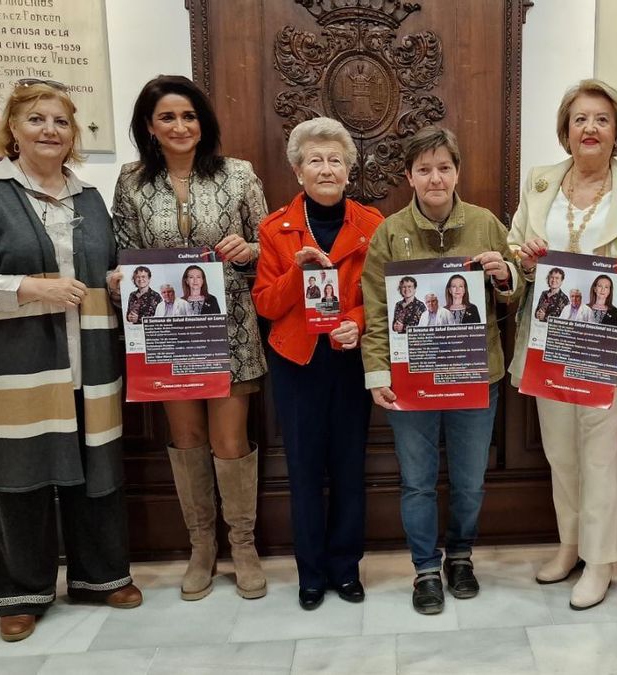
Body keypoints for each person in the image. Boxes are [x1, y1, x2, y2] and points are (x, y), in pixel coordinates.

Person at [0, 80, 141, 643]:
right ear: (12, 132)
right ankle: (21, 592)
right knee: (17, 476)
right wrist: (28, 289)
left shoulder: (89, 197)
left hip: (87, 359)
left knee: (94, 468)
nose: (50, 130)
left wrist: (120, 282)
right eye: (37, 120)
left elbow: (102, 271)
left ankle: (101, 577)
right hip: (13, 364)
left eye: (61, 122)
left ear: (73, 135)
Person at [112, 75, 269, 601]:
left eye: (189, 116)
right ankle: (201, 547)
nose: (180, 126)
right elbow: (124, 255)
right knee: (187, 440)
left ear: (203, 123)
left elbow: (269, 248)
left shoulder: (238, 175)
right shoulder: (132, 182)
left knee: (229, 441)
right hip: (166, 336)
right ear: (149, 128)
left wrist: (248, 250)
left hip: (230, 331)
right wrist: (118, 280)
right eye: (167, 118)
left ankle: (242, 545)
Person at [510, 79, 617, 610]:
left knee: (600, 456)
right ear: (565, 131)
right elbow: (513, 250)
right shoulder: (541, 182)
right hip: (549, 338)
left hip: (605, 342)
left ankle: (601, 561)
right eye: (579, 119)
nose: (589, 128)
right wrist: (521, 260)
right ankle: (569, 546)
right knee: (561, 452)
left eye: (601, 119)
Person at [361, 125, 520, 614]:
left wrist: (504, 274)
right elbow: (373, 309)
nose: (435, 178)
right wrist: (377, 373)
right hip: (411, 383)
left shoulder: (486, 223)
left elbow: (514, 292)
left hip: (476, 376)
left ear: (458, 173)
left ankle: (462, 557)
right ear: (409, 175)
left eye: (444, 168)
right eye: (424, 169)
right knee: (417, 481)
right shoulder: (388, 232)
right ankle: (426, 569)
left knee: (470, 480)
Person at [252, 117, 383, 610]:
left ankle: (346, 569)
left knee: (350, 468)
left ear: (350, 171)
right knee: (305, 470)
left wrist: (356, 321)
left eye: (336, 160)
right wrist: (296, 272)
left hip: (349, 361)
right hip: (298, 362)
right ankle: (310, 573)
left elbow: (383, 298)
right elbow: (265, 303)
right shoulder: (274, 229)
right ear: (297, 170)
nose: (326, 169)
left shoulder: (373, 225)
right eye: (315, 160)